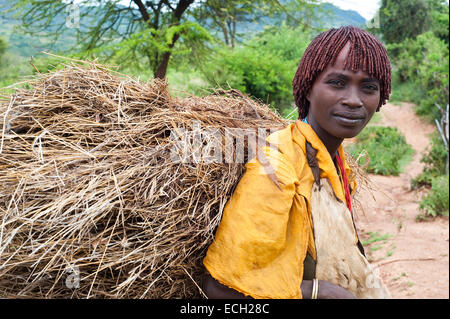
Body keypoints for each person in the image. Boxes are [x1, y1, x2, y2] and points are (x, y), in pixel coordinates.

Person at [201, 26, 391, 299]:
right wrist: (319, 292)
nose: (353, 100)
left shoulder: (333, 160)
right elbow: (220, 290)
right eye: (337, 83)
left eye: (369, 88)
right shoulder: (277, 168)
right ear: (308, 88)